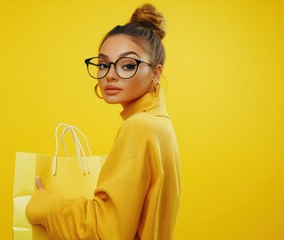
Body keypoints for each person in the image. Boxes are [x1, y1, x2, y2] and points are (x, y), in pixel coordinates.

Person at [26, 3, 181, 239]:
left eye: (128, 65)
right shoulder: (160, 125)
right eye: (103, 64)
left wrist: (44, 205)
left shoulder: (139, 126)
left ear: (156, 73)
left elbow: (104, 231)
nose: (110, 74)